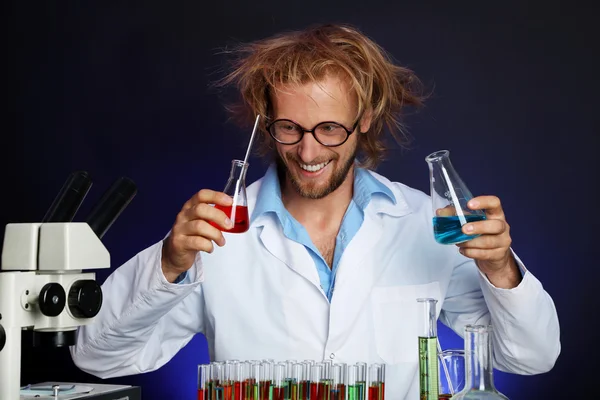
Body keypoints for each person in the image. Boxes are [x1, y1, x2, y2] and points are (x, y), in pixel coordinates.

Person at [70, 23, 560, 398]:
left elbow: (532, 357)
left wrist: (500, 268)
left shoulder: (420, 222)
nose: (307, 153)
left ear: (364, 118)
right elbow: (98, 356)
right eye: (290, 128)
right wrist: (170, 264)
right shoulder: (217, 233)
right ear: (267, 122)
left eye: (329, 129)